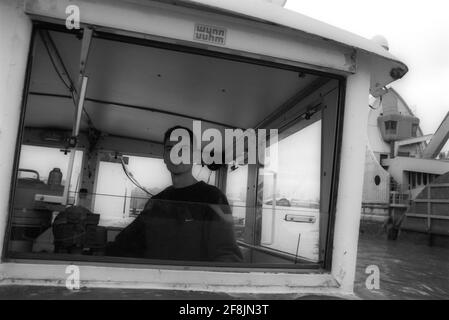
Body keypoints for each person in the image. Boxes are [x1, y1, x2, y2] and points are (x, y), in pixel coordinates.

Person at [106, 126, 243, 262]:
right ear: (164, 157)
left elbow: (228, 254)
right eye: (170, 149)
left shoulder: (214, 197)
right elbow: (125, 243)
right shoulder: (156, 202)